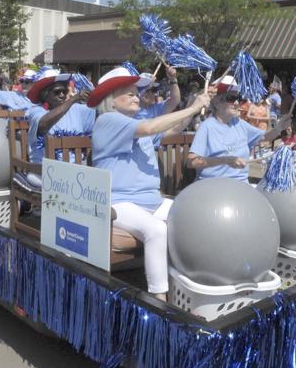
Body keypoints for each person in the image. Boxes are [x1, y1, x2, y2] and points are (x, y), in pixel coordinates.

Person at [88, 67, 211, 300]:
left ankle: (193, 281)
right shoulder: (107, 120)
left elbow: (172, 128)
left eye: (137, 93)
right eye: (130, 93)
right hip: (118, 202)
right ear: (111, 100)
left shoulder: (134, 123)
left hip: (152, 200)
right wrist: (193, 107)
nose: (137, 97)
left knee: (195, 215)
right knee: (156, 230)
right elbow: (150, 128)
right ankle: (159, 299)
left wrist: (193, 108)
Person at [187, 78, 291, 182]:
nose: (237, 103)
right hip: (214, 184)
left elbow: (264, 137)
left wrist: (279, 128)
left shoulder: (239, 123)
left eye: (238, 98)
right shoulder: (207, 126)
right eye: (231, 98)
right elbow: (192, 162)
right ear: (217, 102)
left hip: (240, 186)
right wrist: (226, 160)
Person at [26, 69, 94, 163]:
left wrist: (94, 96)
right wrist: (74, 98)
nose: (62, 95)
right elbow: (43, 124)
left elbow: (101, 118)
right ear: (45, 95)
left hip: (78, 169)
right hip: (44, 170)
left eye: (65, 91)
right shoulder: (35, 111)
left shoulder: (77, 109)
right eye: (57, 92)